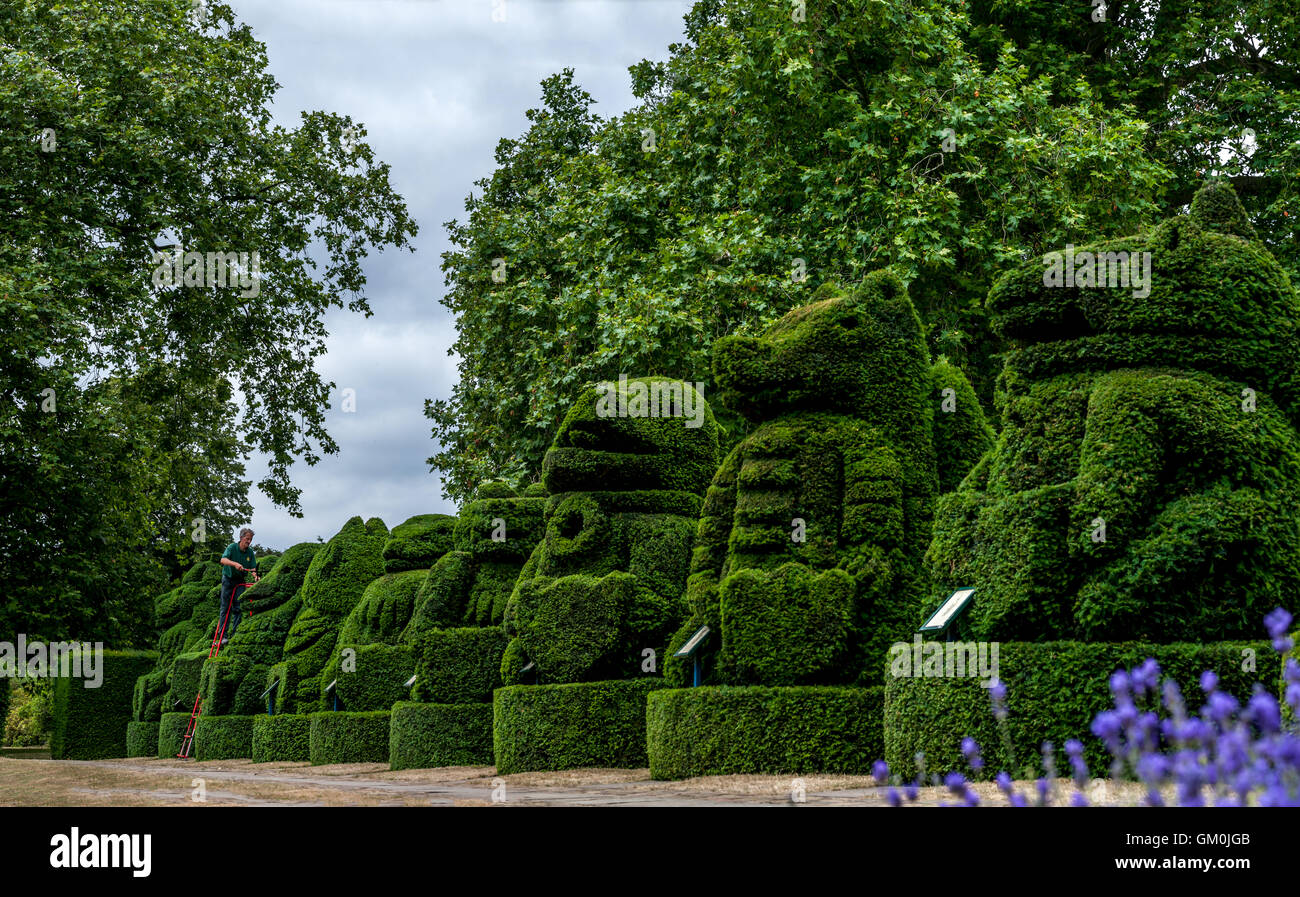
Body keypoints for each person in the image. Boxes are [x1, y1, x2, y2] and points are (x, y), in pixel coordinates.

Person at [217, 527, 259, 646]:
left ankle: (235, 634)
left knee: (239, 607)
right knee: (226, 607)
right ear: (241, 538)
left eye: (250, 539)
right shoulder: (232, 547)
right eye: (247, 539)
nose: (249, 541)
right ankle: (223, 636)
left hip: (240, 581)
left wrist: (255, 576)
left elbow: (252, 568)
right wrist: (234, 564)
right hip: (228, 579)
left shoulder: (250, 552)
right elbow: (223, 560)